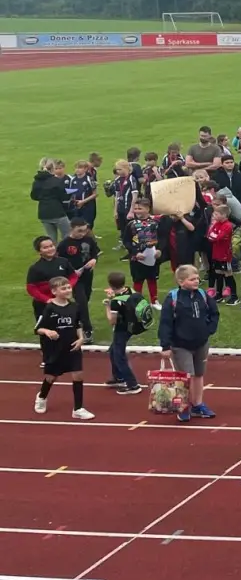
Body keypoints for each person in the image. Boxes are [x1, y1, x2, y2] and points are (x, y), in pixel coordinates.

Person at [158, 264, 220, 421]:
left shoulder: (203, 295)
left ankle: (198, 404)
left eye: (197, 278)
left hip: (201, 343)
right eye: (192, 279)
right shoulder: (173, 299)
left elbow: (214, 313)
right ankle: (183, 406)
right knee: (185, 377)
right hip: (180, 345)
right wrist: (165, 345)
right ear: (181, 281)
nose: (197, 281)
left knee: (199, 375)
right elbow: (165, 323)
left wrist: (208, 330)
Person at [34, 277, 93, 420]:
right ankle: (42, 397)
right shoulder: (49, 308)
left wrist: (80, 338)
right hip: (55, 349)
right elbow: (38, 329)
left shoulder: (74, 306)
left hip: (73, 346)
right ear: (54, 291)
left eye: (68, 287)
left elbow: (77, 325)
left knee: (78, 375)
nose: (68, 290)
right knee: (51, 377)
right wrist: (47, 332)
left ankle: (78, 408)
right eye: (63, 288)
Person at [101, 272, 143, 394]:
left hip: (122, 329)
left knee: (119, 357)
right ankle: (118, 378)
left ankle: (132, 385)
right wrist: (114, 294)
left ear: (110, 284)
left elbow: (112, 321)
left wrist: (108, 304)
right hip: (131, 326)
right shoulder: (130, 290)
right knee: (113, 351)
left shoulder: (115, 302)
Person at [33, 158, 72, 244]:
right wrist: (74, 190)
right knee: (68, 234)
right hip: (57, 212)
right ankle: (66, 254)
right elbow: (64, 195)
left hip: (43, 213)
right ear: (52, 168)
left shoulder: (37, 181)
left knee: (51, 238)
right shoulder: (55, 181)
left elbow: (34, 196)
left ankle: (51, 256)